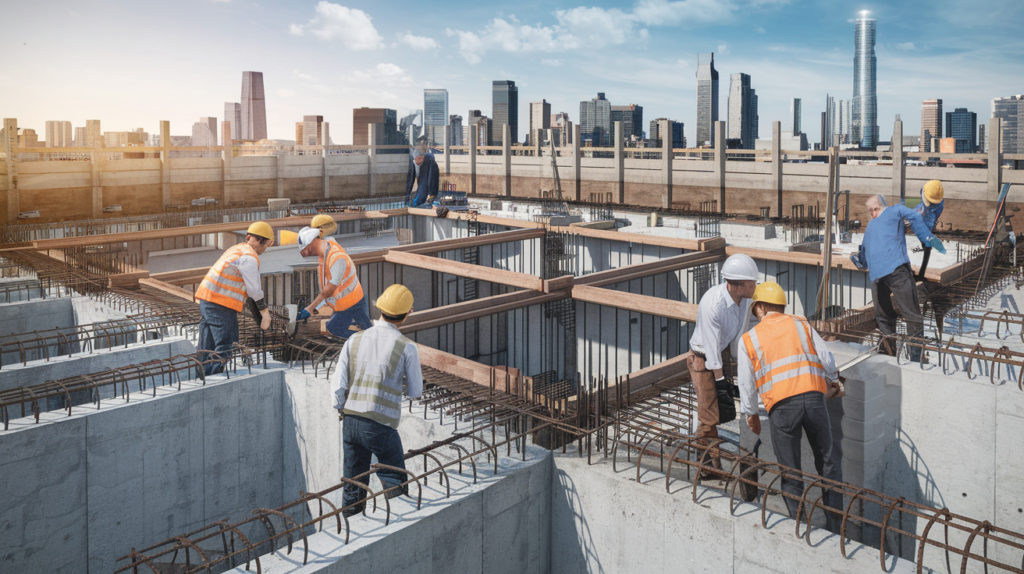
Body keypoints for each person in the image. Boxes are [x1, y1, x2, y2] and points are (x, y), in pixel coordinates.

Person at [739, 281, 844, 532]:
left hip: (783, 407)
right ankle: (835, 526)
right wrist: (835, 381)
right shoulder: (800, 323)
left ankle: (801, 525)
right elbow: (826, 357)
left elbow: (746, 383)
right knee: (828, 463)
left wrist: (750, 414)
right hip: (814, 399)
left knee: (790, 470)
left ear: (761, 307)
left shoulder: (749, 339)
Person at [332, 284, 423, 517]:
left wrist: (343, 408)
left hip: (350, 421)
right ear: (407, 314)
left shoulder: (354, 340)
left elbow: (338, 385)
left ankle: (350, 531)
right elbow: (415, 392)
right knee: (394, 481)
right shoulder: (407, 347)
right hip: (381, 426)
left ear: (379, 309)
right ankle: (398, 526)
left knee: (353, 483)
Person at [688, 253, 758, 472]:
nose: (755, 286)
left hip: (722, 351)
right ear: (738, 285)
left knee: (722, 410)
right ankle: (707, 469)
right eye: (751, 283)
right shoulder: (713, 303)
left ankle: (711, 461)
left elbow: (747, 330)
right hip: (703, 358)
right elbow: (710, 349)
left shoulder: (744, 300)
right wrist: (720, 383)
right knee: (709, 415)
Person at [860, 194, 945, 362]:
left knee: (908, 315)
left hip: (893, 271)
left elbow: (914, 215)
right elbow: (863, 249)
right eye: (870, 211)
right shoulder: (871, 225)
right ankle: (890, 353)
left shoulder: (894, 210)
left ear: (883, 206)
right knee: (887, 316)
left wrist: (925, 236)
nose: (873, 214)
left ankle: (913, 355)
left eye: (876, 209)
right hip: (880, 275)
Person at [195, 221, 274, 375]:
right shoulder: (249, 257)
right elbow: (254, 290)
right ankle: (214, 379)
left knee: (206, 344)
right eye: (267, 245)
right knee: (226, 344)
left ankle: (202, 378)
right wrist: (265, 313)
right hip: (220, 303)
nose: (265, 249)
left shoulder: (237, 249)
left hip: (207, 299)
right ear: (259, 240)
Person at [295, 226, 372, 336]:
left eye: (306, 250)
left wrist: (310, 308)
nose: (306, 254)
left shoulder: (337, 258)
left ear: (311, 244)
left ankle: (363, 340)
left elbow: (328, 290)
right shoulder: (326, 248)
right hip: (347, 302)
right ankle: (366, 338)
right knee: (365, 329)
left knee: (336, 328)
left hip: (352, 302)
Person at [912, 180, 945, 280]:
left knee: (927, 246)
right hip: (924, 217)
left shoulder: (935, 205)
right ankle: (920, 273)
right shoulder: (937, 200)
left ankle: (921, 274)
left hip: (926, 220)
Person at [405, 142, 439, 208]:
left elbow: (427, 184)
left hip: (427, 192)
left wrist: (431, 194)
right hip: (424, 192)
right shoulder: (413, 163)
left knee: (421, 193)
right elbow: (410, 181)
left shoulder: (429, 162)